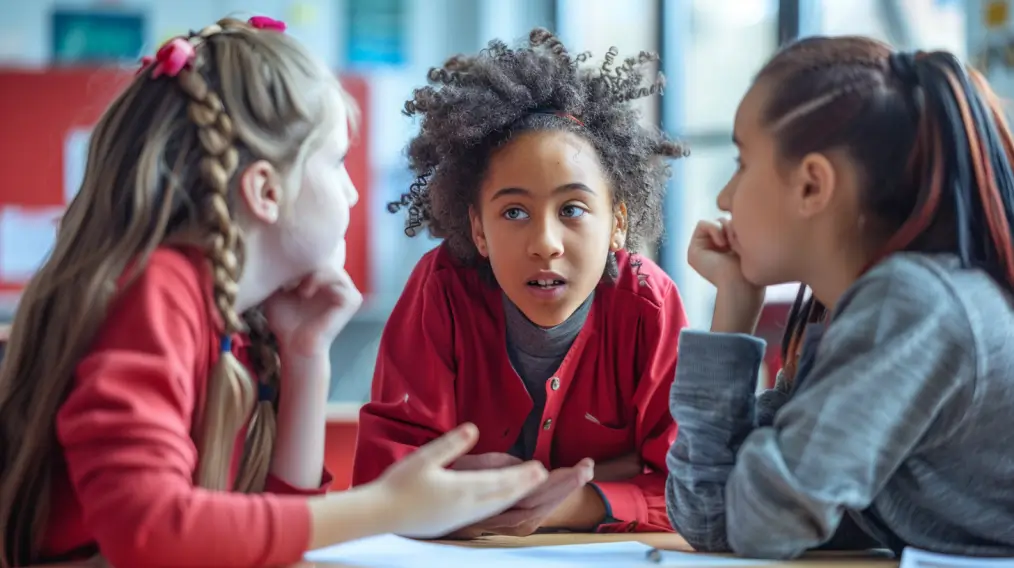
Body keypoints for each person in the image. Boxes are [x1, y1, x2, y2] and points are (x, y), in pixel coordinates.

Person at [0, 17, 548, 568]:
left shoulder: (231, 317)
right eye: (336, 161)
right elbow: (150, 533)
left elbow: (277, 531)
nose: (354, 191)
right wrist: (387, 508)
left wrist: (306, 356)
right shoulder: (159, 291)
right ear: (265, 190)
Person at [665, 35, 1014, 559]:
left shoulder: (913, 307)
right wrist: (735, 310)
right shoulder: (857, 312)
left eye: (741, 162)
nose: (724, 199)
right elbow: (715, 519)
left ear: (812, 186)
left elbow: (762, 523)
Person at [352, 28, 689, 536]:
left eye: (573, 209)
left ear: (617, 223)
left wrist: (572, 505)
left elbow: (692, 484)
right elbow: (382, 481)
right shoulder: (440, 289)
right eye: (514, 212)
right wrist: (455, 503)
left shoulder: (650, 305)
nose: (545, 243)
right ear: (478, 230)